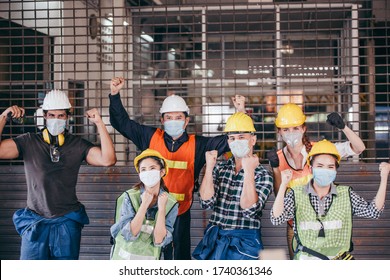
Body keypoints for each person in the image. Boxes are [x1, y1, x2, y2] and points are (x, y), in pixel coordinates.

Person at [109, 76, 246, 259]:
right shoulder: (149, 137)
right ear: (162, 120)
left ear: (186, 120)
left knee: (179, 257)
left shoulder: (198, 144)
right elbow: (122, 123)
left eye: (178, 117)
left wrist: (240, 112)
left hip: (180, 213)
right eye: (169, 117)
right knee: (148, 253)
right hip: (149, 209)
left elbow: (230, 140)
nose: (174, 121)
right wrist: (115, 94)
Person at [0, 89, 116, 260]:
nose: (56, 119)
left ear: (67, 117)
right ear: (45, 116)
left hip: (66, 222)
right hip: (35, 222)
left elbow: (108, 160)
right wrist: (3, 117)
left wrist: (100, 124)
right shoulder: (28, 141)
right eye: (52, 115)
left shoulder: (78, 145)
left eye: (61, 115)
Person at [266, 103, 366, 259]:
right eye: (286, 129)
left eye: (295, 128)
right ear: (279, 132)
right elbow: (281, 196)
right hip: (296, 228)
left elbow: (359, 148)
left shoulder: (320, 151)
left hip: (327, 226)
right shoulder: (277, 159)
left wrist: (343, 127)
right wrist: (275, 169)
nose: (291, 133)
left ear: (303, 129)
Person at [270, 140, 390, 260]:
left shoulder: (346, 194)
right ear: (311, 169)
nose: (325, 170)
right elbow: (276, 218)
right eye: (320, 166)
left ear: (335, 170)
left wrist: (384, 178)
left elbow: (373, 212)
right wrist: (283, 185)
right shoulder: (296, 194)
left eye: (330, 167)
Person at [192, 112, 273, 260]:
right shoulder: (219, 168)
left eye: (241, 137)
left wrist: (249, 171)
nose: (236, 142)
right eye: (232, 138)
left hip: (245, 244)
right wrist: (209, 167)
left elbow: (249, 209)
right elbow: (206, 202)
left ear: (253, 139)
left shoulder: (263, 175)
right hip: (215, 240)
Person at [110, 149, 178, 260]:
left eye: (152, 168)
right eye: (143, 170)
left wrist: (161, 210)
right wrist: (144, 204)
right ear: (140, 174)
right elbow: (130, 234)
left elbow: (159, 240)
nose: (148, 173)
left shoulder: (171, 203)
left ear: (162, 172)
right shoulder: (130, 197)